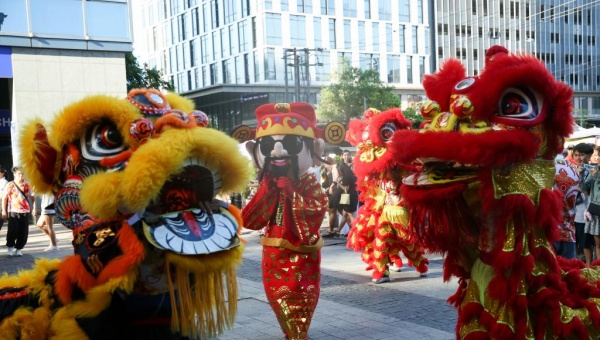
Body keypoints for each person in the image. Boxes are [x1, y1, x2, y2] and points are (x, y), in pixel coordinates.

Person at [2, 166, 35, 257]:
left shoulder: (27, 184)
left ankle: (19, 248)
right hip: (13, 210)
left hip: (25, 210)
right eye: (19, 174)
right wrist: (4, 211)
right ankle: (10, 247)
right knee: (13, 229)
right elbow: (4, 198)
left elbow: (33, 197)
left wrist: (35, 208)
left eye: (22, 174)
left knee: (23, 231)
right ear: (15, 174)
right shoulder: (10, 184)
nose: (21, 175)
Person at [573, 143, 595, 265]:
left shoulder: (593, 170)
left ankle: (589, 265)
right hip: (574, 211)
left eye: (582, 155)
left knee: (587, 241)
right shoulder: (570, 169)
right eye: (576, 155)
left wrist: (581, 176)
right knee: (577, 239)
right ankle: (580, 263)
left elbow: (586, 191)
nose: (579, 158)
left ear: (589, 155)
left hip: (588, 211)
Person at [553, 157, 579, 259]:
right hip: (569, 232)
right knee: (569, 271)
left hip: (548, 233)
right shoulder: (573, 168)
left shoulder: (543, 167)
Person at [335, 157, 358, 236]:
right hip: (352, 195)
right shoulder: (351, 174)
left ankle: (356, 231)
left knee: (350, 215)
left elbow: (346, 188)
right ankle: (341, 230)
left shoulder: (346, 176)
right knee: (345, 214)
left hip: (349, 195)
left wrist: (338, 183)